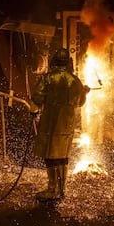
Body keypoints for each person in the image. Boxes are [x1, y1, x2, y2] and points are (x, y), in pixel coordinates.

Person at [30, 48, 90, 201]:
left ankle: (52, 189)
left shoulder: (48, 78)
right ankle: (62, 189)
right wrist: (84, 92)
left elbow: (37, 97)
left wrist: (35, 110)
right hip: (67, 124)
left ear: (53, 61)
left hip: (51, 123)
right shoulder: (75, 80)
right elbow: (80, 102)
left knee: (50, 155)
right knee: (63, 156)